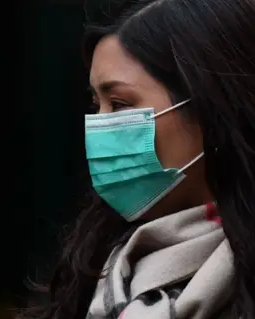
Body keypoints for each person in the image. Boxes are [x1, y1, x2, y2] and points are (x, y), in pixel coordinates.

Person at [17, 0, 255, 318]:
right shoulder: (91, 275)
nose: (100, 127)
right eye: (95, 103)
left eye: (119, 104)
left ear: (211, 109)